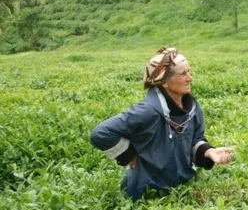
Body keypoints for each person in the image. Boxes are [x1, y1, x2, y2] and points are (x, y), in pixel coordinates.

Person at [90, 47, 234, 200]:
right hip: (147, 195)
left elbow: (195, 140)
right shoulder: (147, 111)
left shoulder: (192, 107)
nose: (190, 78)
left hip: (182, 190)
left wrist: (209, 152)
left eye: (189, 71)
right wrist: (130, 155)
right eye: (183, 73)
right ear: (164, 82)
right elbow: (100, 133)